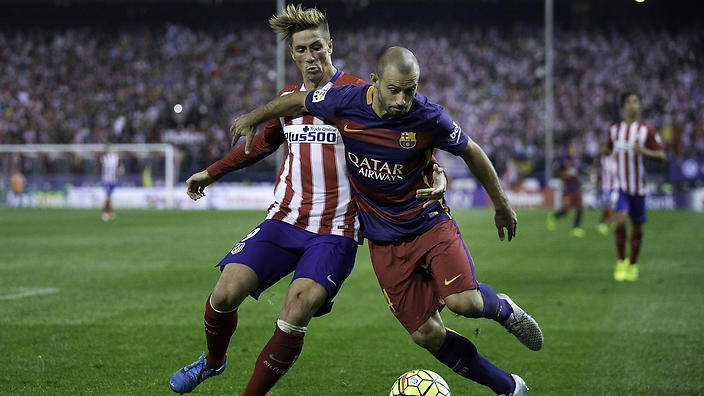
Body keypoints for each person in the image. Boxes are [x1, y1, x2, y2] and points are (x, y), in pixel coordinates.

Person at [232, 46, 543, 396]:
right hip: (384, 239)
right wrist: (256, 116)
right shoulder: (346, 101)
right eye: (394, 90)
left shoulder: (428, 116)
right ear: (375, 81)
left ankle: (502, 308)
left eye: (409, 91)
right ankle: (507, 387)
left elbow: (471, 150)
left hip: (429, 224)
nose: (402, 100)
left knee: (464, 304)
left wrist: (501, 204)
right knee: (426, 334)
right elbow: (298, 101)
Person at [169, 6, 447, 395]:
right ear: (292, 55)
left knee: (296, 308)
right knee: (224, 293)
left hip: (336, 231)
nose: (311, 56)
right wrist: (211, 172)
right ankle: (213, 361)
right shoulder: (287, 100)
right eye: (301, 50)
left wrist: (435, 169)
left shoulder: (360, 96)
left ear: (330, 45)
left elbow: (404, 145)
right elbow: (258, 146)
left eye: (317, 46)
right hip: (284, 219)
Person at [607, 91, 666, 282]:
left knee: (637, 226)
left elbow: (662, 156)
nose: (633, 105)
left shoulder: (646, 130)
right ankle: (621, 261)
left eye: (636, 102)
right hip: (620, 186)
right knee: (621, 220)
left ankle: (632, 263)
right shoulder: (614, 130)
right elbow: (607, 148)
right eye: (630, 102)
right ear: (623, 106)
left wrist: (644, 151)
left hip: (638, 188)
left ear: (639, 106)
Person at [546, 145, 585, 237]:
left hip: (576, 188)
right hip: (567, 189)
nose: (572, 151)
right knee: (566, 210)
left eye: (573, 149)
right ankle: (553, 217)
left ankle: (576, 228)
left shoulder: (577, 161)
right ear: (567, 151)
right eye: (570, 149)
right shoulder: (563, 161)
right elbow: (557, 173)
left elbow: (580, 172)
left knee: (580, 207)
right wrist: (565, 174)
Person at [593, 150, 619, 236]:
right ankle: (612, 223)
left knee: (609, 206)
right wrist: (593, 179)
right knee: (608, 205)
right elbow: (595, 168)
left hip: (615, 186)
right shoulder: (603, 159)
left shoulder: (617, 160)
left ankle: (601, 224)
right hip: (606, 187)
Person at [100, 143, 119, 221]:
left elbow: (119, 166)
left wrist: (120, 170)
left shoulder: (115, 157)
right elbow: (100, 167)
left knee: (109, 196)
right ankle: (108, 212)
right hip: (106, 180)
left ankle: (108, 212)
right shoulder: (103, 158)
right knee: (108, 196)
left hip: (113, 180)